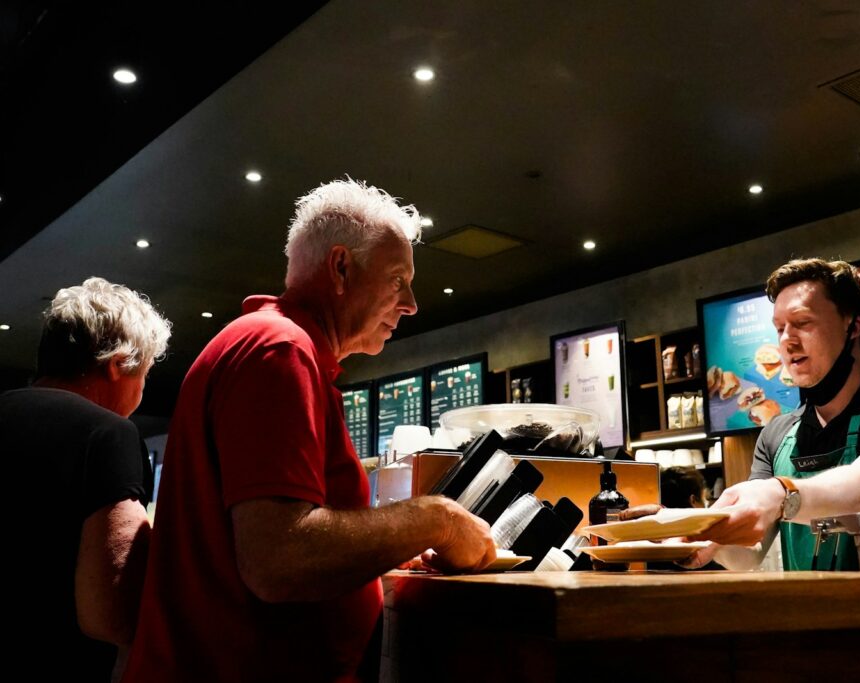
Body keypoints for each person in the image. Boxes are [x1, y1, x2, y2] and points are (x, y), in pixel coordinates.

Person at [124, 179, 496, 683]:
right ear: (341, 267)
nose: (411, 303)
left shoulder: (269, 341)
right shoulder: (279, 349)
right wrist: (438, 521)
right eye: (397, 280)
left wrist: (382, 545)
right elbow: (277, 558)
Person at [632, 258, 860, 572]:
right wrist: (691, 537)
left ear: (853, 326)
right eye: (780, 328)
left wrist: (780, 494)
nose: (787, 340)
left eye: (802, 323)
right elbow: (749, 553)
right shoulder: (776, 434)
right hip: (806, 618)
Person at [0, 277, 171, 681]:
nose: (142, 390)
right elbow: (110, 613)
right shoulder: (107, 433)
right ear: (118, 365)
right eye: (143, 374)